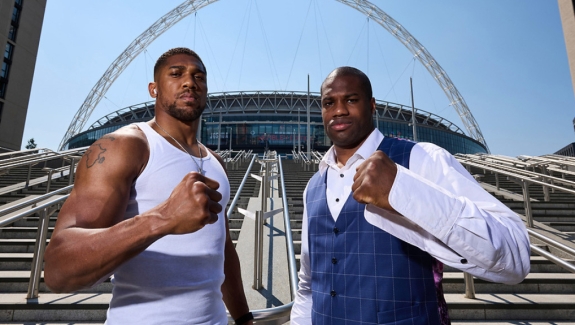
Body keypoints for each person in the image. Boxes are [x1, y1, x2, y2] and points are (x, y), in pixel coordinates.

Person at [290, 67, 531, 324]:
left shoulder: (421, 158)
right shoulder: (313, 187)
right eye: (329, 103)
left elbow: (515, 257)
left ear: (372, 105)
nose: (339, 110)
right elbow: (308, 283)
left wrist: (404, 191)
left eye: (351, 99)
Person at [44, 48, 253, 325]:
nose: (190, 82)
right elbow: (59, 270)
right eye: (176, 74)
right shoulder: (126, 147)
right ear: (154, 89)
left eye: (199, 76)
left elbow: (223, 249)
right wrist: (162, 218)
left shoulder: (215, 161)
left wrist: (243, 317)